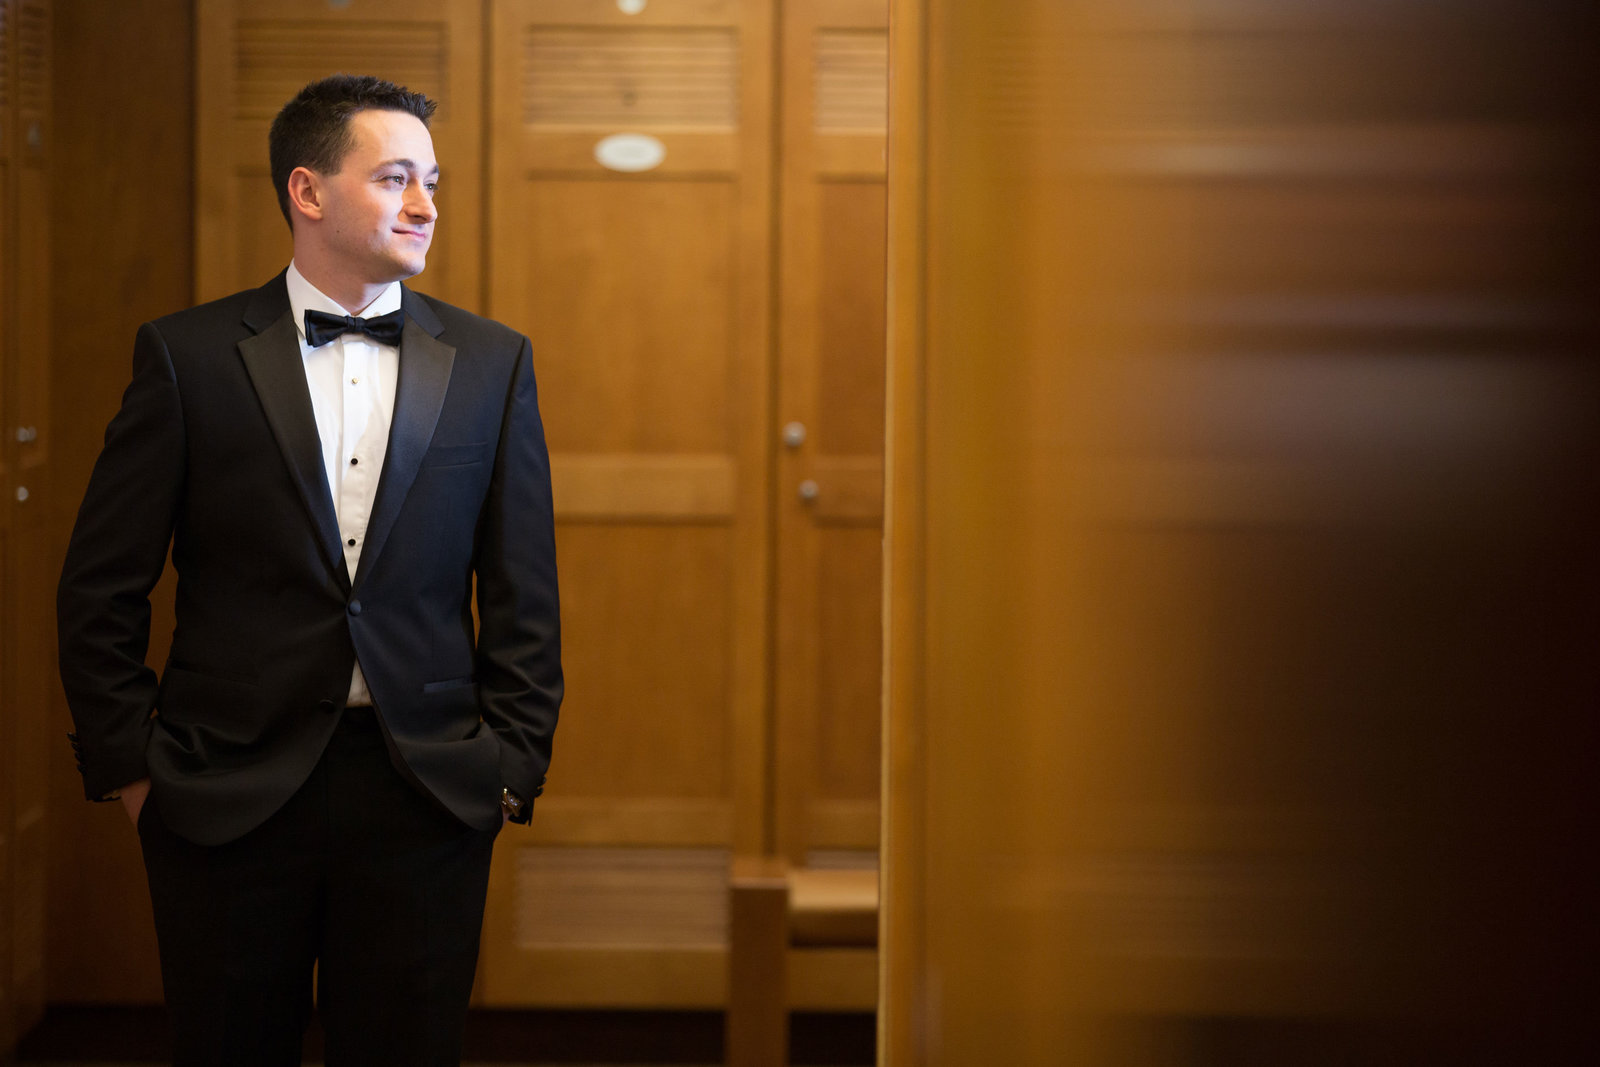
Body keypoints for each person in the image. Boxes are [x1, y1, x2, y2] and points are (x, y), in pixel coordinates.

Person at [56, 74, 562, 1065]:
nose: (425, 204)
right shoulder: (186, 356)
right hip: (224, 794)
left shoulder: (494, 361)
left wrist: (509, 760)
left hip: (427, 789)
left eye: (432, 180)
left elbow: (523, 588)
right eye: (395, 177)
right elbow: (100, 584)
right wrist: (130, 767)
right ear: (309, 191)